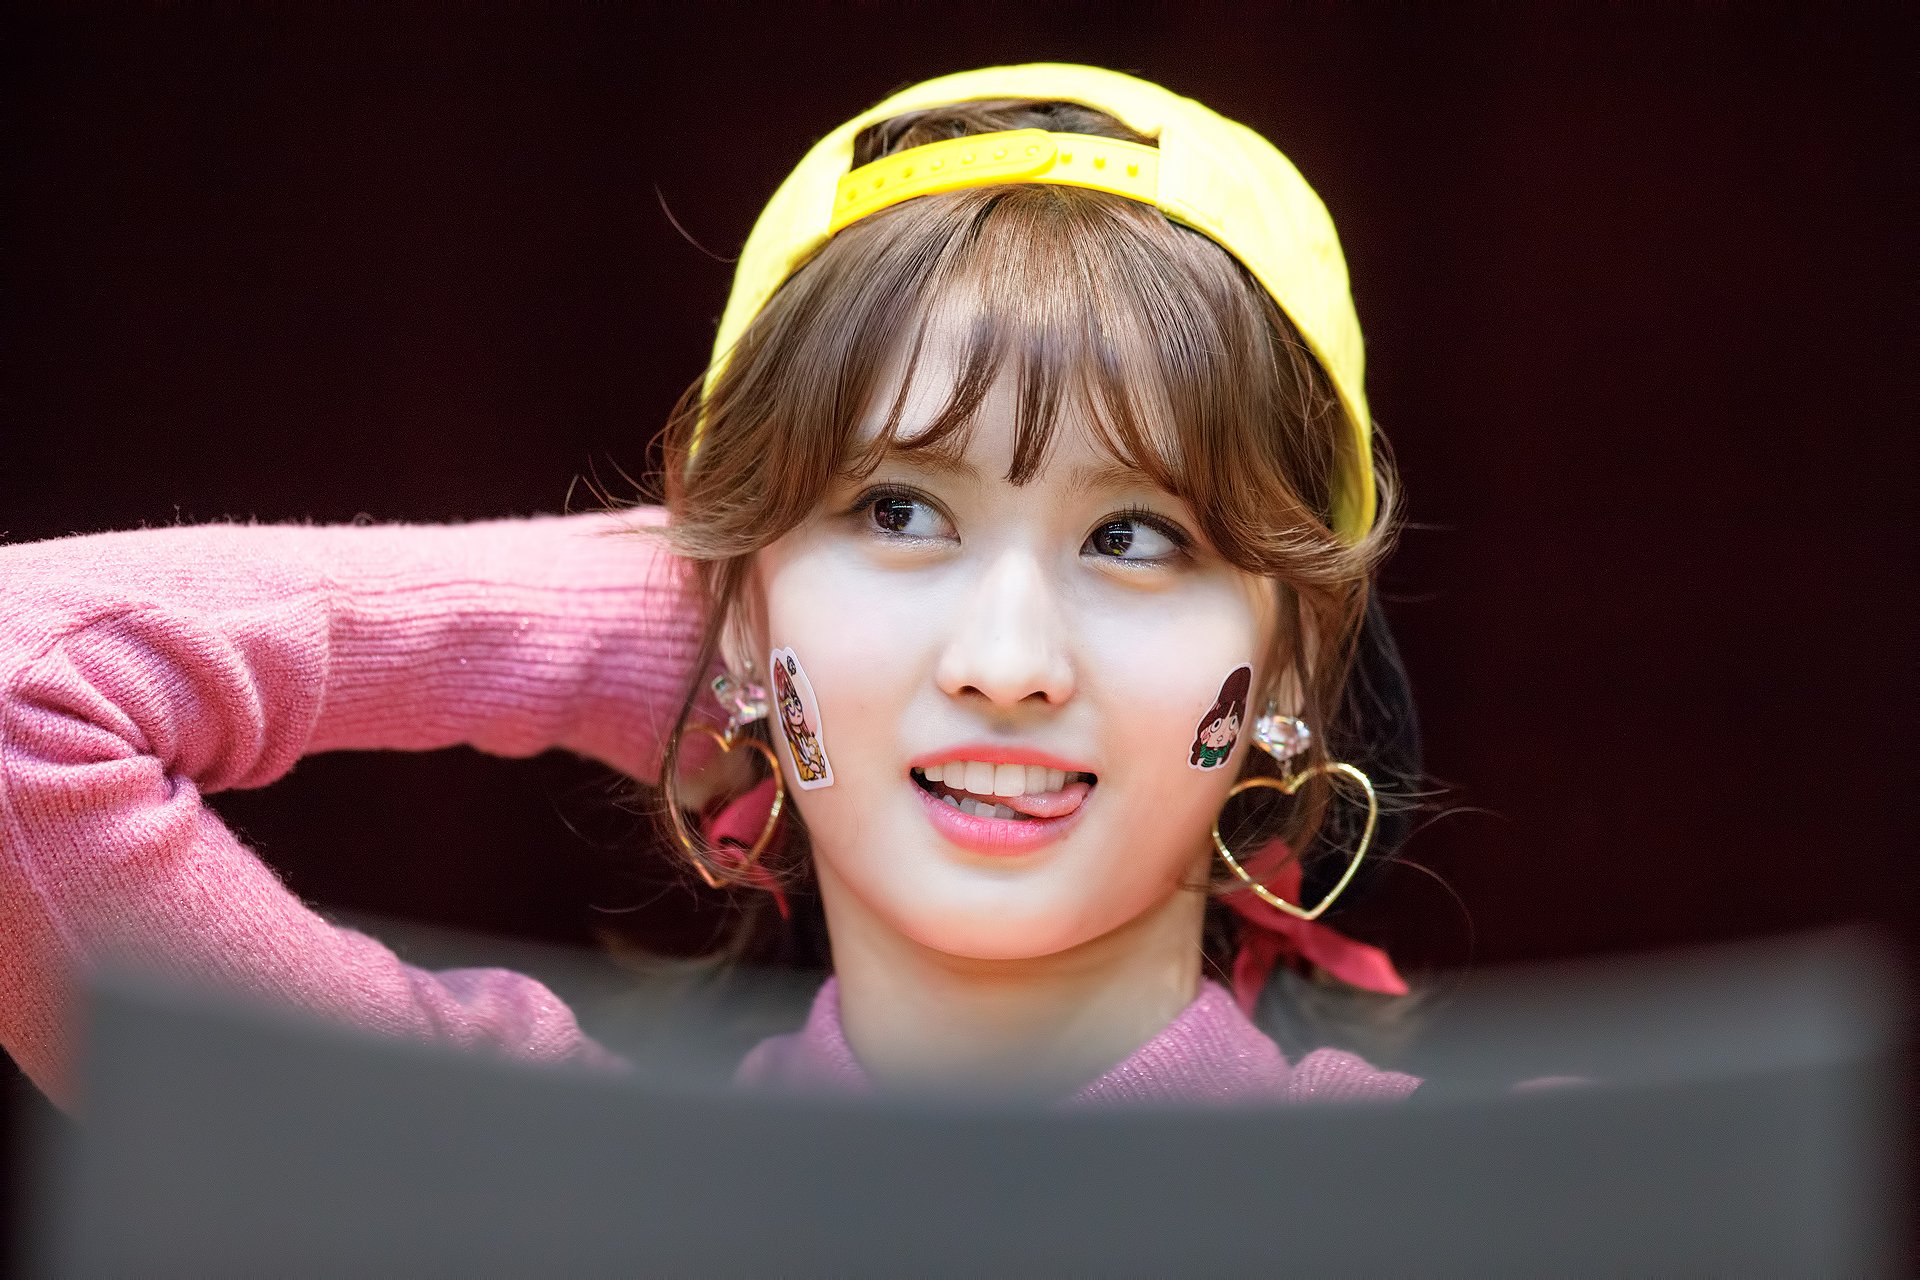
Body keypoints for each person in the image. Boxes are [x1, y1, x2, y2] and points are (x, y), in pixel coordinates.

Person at [0, 64, 1424, 1111]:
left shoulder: (1468, 1205)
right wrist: (704, 633)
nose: (1006, 662)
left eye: (1135, 537)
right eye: (897, 511)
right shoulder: (532, 1189)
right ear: (743, 597)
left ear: (1297, 658)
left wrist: (779, 644)